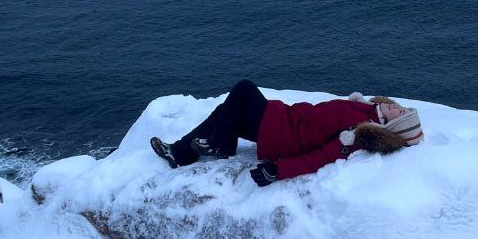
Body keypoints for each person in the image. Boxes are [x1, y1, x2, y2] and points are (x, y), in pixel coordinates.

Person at [150, 80, 423, 186]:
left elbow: (321, 158)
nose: (396, 106)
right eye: (400, 107)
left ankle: (221, 147)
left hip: (283, 134)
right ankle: (180, 153)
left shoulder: (359, 133)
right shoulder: (365, 109)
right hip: (283, 120)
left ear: (392, 126)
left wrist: (277, 172)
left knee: (244, 89)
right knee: (226, 111)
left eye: (400, 113)